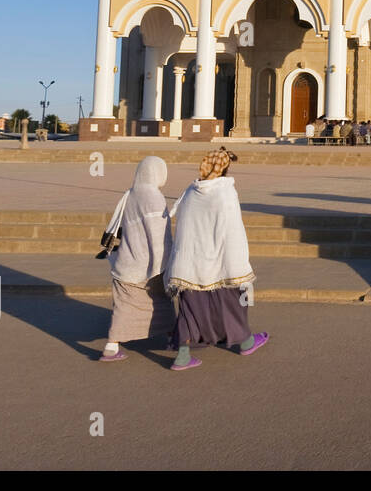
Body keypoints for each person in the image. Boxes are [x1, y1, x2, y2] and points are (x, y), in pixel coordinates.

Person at [162, 149, 268, 371]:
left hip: (191, 265)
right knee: (232, 304)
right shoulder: (225, 193)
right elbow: (233, 231)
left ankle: (182, 355)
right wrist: (238, 264)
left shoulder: (190, 192)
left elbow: (183, 228)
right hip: (221, 263)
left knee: (189, 310)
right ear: (225, 168)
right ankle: (246, 341)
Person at [100, 156, 176, 361]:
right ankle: (172, 339)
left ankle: (111, 346)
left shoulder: (130, 194)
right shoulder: (154, 197)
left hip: (126, 263)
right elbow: (159, 237)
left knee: (124, 308)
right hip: (149, 265)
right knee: (162, 302)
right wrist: (166, 266)